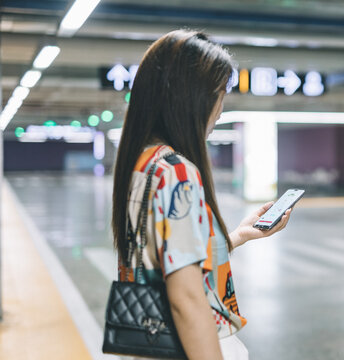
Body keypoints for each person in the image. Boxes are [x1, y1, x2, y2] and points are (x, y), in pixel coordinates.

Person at [111, 30, 292, 360]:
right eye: (220, 95)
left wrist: (235, 236)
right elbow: (187, 300)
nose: (221, 111)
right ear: (193, 98)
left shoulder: (143, 163)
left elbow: (164, 256)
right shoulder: (178, 172)